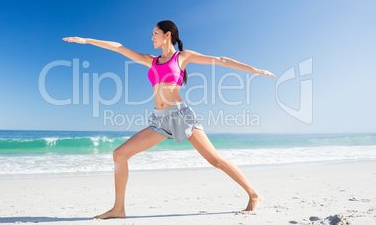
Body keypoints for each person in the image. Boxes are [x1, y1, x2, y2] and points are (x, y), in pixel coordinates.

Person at [63, 20, 275, 219]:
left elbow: (220, 60)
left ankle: (253, 193)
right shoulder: (150, 60)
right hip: (159, 121)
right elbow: (119, 47)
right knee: (119, 154)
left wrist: (254, 70)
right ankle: (119, 208)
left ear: (167, 35)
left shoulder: (182, 57)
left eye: (155, 33)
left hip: (181, 116)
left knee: (215, 160)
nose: (152, 37)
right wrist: (86, 40)